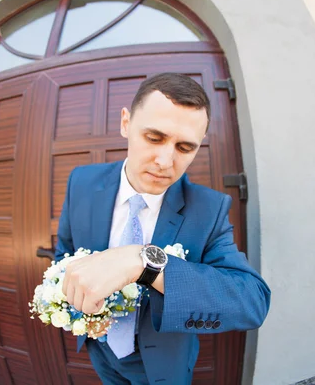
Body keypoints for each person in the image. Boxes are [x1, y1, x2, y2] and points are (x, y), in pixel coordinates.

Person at [55, 72, 271, 384]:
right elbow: (64, 254)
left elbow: (252, 301)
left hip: (162, 367)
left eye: (185, 147)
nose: (164, 160)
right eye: (154, 138)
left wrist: (145, 264)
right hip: (98, 349)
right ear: (126, 123)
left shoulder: (209, 210)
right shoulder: (82, 182)